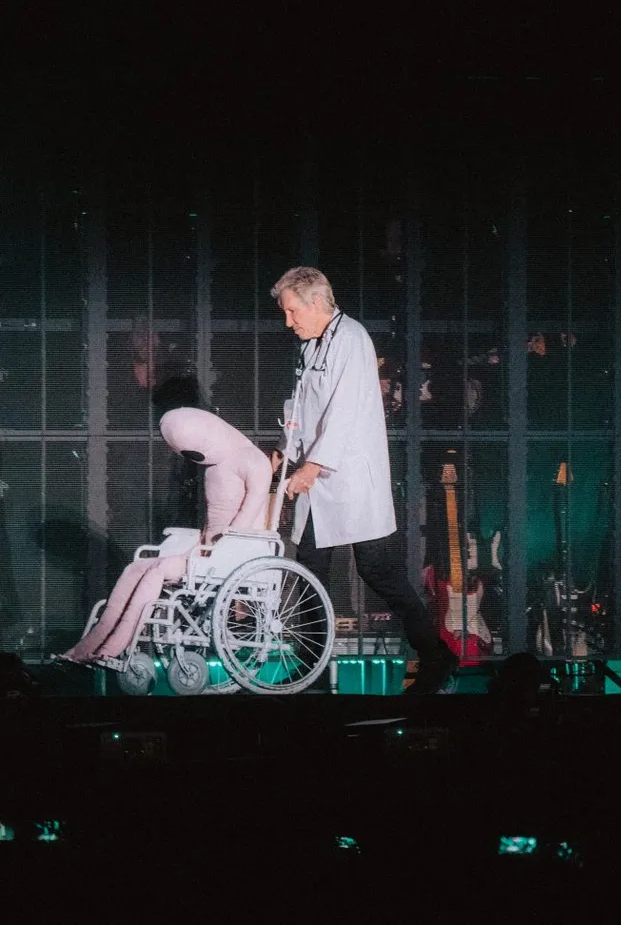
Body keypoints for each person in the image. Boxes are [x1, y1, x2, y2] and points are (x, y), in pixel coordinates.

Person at [270, 266, 459, 694]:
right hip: (319, 482)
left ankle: (436, 655)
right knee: (311, 571)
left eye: (292, 311)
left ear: (316, 302)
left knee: (378, 570)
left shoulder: (351, 339)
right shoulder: (311, 345)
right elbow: (300, 405)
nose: (289, 321)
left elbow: (345, 412)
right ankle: (312, 668)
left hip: (351, 480)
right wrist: (284, 449)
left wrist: (311, 468)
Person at [59, 407, 272, 663]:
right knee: (135, 568)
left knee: (157, 571)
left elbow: (247, 516)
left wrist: (219, 546)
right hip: (207, 551)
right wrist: (204, 546)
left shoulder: (253, 461)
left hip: (233, 552)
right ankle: (92, 641)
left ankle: (113, 645)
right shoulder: (216, 467)